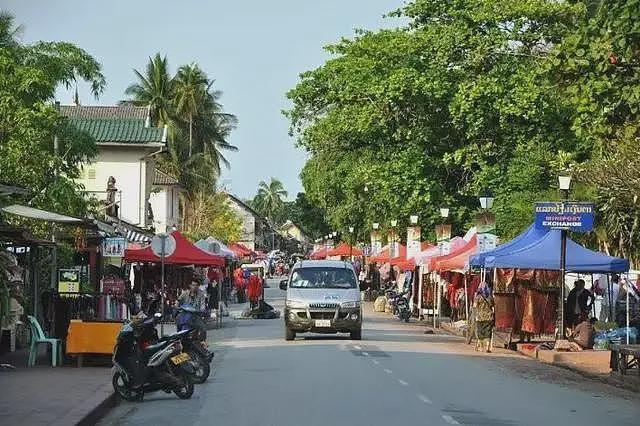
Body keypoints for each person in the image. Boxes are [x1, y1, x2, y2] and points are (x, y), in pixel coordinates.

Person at [473, 282, 494, 353]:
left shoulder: (478, 297)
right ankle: (488, 347)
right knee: (488, 332)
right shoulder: (490, 297)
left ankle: (481, 348)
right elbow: (493, 305)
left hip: (480, 317)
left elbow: (474, 306)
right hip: (489, 317)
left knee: (480, 332)